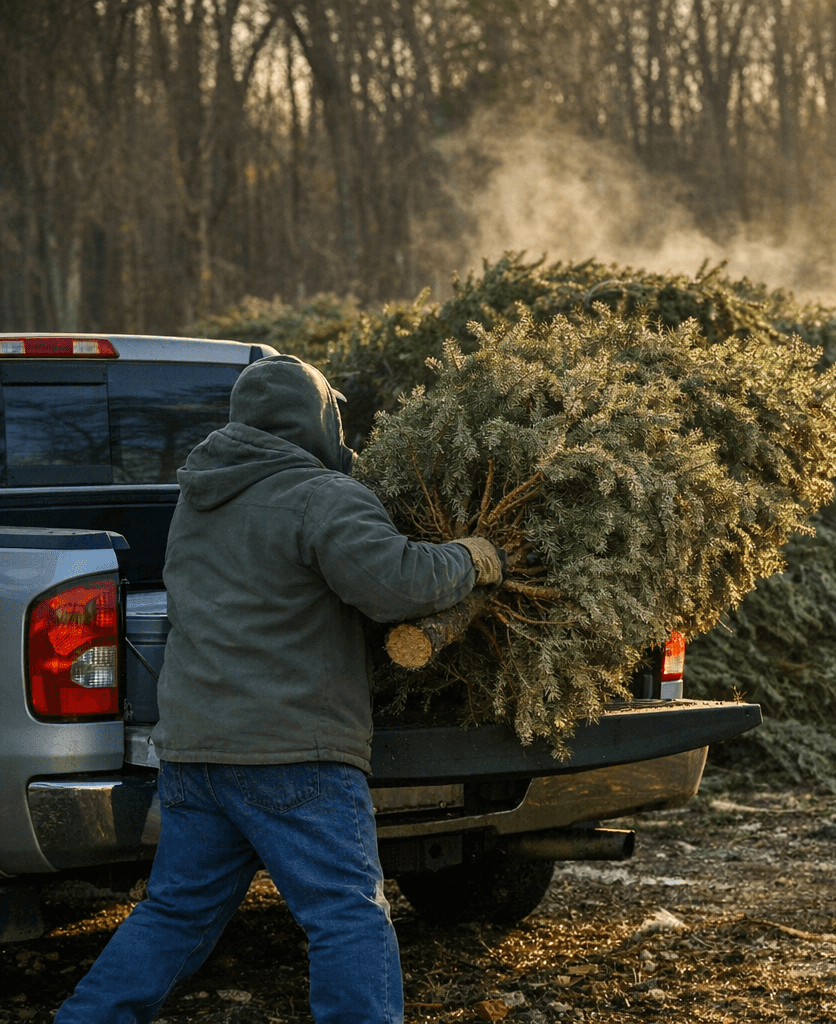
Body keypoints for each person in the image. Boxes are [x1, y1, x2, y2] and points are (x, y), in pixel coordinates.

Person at [56, 355, 506, 1024]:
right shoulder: (321, 495)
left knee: (175, 913)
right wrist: (472, 558)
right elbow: (397, 584)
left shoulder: (199, 498)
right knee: (346, 913)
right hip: (293, 752)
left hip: (195, 752)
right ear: (320, 420)